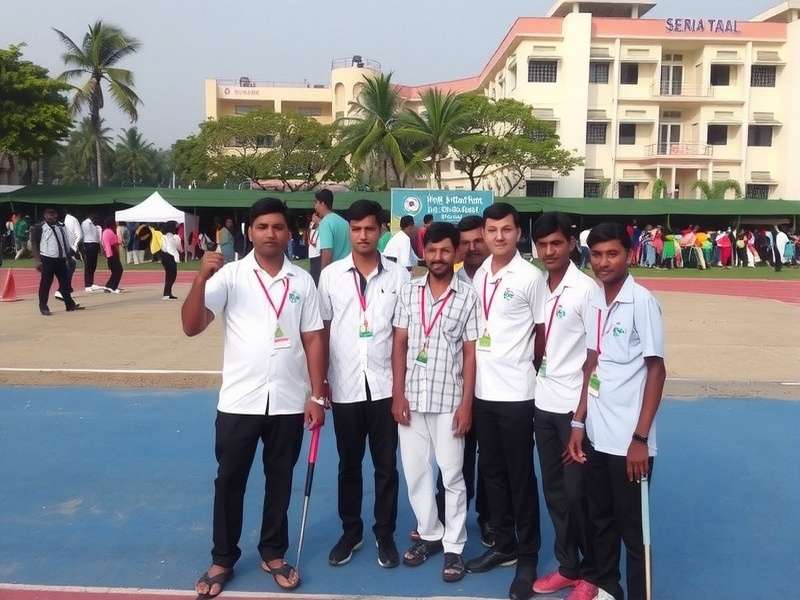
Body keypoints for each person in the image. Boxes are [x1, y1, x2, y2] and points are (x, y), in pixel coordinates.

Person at [182, 198, 325, 596]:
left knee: (280, 480)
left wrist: (317, 395)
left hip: (288, 400)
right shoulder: (229, 277)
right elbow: (192, 326)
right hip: (239, 401)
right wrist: (199, 280)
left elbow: (313, 338)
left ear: (288, 233)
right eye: (262, 226)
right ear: (250, 231)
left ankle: (273, 552)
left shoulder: (302, 282)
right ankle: (222, 558)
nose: (270, 234)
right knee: (230, 481)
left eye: (278, 227)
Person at [567, 222, 666, 600]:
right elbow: (591, 362)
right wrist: (579, 420)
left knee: (633, 532)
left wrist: (640, 439)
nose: (603, 262)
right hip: (596, 436)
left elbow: (657, 370)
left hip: (630, 442)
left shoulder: (641, 301)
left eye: (612, 254)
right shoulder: (593, 299)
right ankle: (609, 588)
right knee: (600, 519)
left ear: (629, 255)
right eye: (596, 254)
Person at [317, 199, 408, 569]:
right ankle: (351, 532)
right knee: (349, 464)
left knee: (386, 467)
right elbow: (322, 329)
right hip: (346, 386)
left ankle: (384, 535)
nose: (363, 235)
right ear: (349, 231)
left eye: (370, 228)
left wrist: (401, 391)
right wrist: (321, 380)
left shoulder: (399, 275)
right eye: (356, 229)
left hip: (385, 386)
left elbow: (403, 336)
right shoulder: (331, 276)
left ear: (381, 230)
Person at [465, 202, 546, 600]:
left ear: (518, 233)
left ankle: (528, 554)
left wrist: (527, 368)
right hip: (483, 391)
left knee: (519, 476)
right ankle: (502, 543)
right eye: (492, 230)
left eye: (506, 230)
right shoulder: (479, 273)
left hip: (517, 393)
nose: (499, 236)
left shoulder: (531, 277)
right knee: (491, 473)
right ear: (484, 233)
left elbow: (542, 333)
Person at [391, 221, 478, 583]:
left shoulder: (468, 296)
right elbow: (399, 344)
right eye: (432, 250)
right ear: (423, 252)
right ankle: (429, 533)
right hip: (412, 398)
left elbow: (471, 355)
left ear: (456, 253)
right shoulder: (409, 292)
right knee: (416, 472)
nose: (438, 257)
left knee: (452, 474)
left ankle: (454, 547)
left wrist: (467, 404)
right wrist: (397, 394)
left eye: (445, 251)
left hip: (449, 400)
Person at [529, 213, 598, 599]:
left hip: (574, 409)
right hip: (543, 402)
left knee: (577, 494)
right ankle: (568, 565)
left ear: (571, 244)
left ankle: (592, 571)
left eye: (556, 243)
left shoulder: (586, 290)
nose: (549, 251)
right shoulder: (538, 285)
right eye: (543, 245)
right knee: (554, 492)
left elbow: (595, 356)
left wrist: (581, 417)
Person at [30, 207, 83, 316]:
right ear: (44, 215)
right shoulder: (39, 227)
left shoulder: (61, 226)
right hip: (47, 259)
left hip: (61, 259)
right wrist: (37, 260)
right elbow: (34, 244)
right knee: (46, 284)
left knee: (65, 283)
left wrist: (70, 254)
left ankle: (69, 304)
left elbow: (64, 241)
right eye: (49, 214)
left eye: (53, 214)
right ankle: (43, 306)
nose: (52, 216)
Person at [314, 188, 351, 270]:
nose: (315, 206)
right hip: (349, 270)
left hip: (334, 272)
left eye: (316, 203)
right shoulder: (344, 222)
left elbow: (327, 251)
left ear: (322, 203)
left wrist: (323, 274)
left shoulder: (325, 223)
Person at [55, 210, 83, 303]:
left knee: (65, 271)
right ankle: (61, 291)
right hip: (67, 251)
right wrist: (75, 248)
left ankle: (66, 294)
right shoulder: (71, 220)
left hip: (61, 251)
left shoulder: (56, 222)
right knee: (68, 269)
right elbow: (79, 235)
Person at [81, 214, 103, 292]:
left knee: (93, 265)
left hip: (95, 244)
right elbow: (86, 234)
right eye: (95, 218)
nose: (96, 220)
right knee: (88, 265)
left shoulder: (95, 226)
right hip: (88, 244)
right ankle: (87, 285)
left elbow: (98, 237)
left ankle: (91, 283)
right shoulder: (86, 223)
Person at [101, 218, 124, 293]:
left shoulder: (105, 232)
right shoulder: (110, 232)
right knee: (119, 270)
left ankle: (110, 286)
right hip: (112, 253)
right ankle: (112, 287)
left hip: (109, 254)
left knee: (115, 271)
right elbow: (119, 241)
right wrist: (117, 232)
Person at [161, 222, 182, 300]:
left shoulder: (163, 237)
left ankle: (167, 293)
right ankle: (167, 293)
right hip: (171, 257)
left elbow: (163, 247)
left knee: (169, 275)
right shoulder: (176, 237)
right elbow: (179, 247)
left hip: (165, 256)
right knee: (172, 275)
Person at [306, 213, 321, 285]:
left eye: (314, 217)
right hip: (312, 253)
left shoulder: (321, 227)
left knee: (316, 273)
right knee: (312, 271)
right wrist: (310, 227)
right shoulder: (312, 227)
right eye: (312, 217)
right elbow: (308, 236)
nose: (312, 219)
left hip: (317, 253)